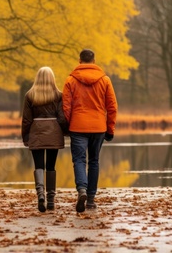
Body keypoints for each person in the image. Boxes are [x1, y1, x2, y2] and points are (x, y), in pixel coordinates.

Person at [62, 49, 117, 213]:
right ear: (94, 61)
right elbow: (112, 107)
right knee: (94, 161)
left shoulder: (70, 80)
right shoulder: (105, 80)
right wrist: (110, 128)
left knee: (79, 160)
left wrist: (68, 125)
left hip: (78, 126)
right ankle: (91, 199)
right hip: (99, 127)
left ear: (80, 61)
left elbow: (66, 107)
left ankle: (82, 190)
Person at [22, 66, 68, 212]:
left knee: (39, 165)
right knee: (51, 166)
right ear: (52, 78)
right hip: (54, 131)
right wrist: (66, 131)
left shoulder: (30, 95)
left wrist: (26, 136)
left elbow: (26, 119)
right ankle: (51, 200)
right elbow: (62, 117)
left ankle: (40, 194)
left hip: (36, 131)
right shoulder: (59, 95)